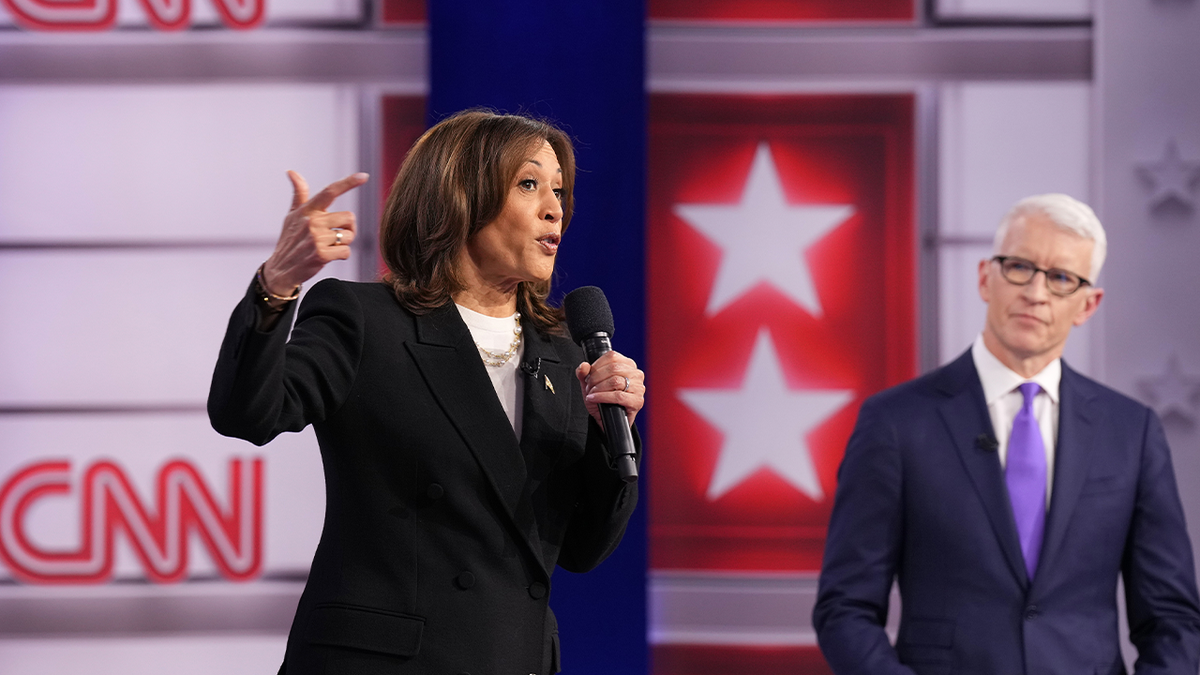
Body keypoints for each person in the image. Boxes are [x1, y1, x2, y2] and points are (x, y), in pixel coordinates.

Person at [208, 110, 644, 675]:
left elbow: (583, 549)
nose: (554, 207)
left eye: (559, 190)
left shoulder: (564, 351)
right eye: (529, 183)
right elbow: (248, 413)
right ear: (460, 196)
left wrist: (618, 429)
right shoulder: (366, 322)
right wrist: (276, 287)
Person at [813, 194, 1200, 674]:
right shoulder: (895, 422)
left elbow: (1172, 620)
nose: (1036, 292)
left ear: (1088, 304)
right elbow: (844, 608)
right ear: (984, 278)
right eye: (1020, 267)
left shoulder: (1131, 433)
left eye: (1061, 278)